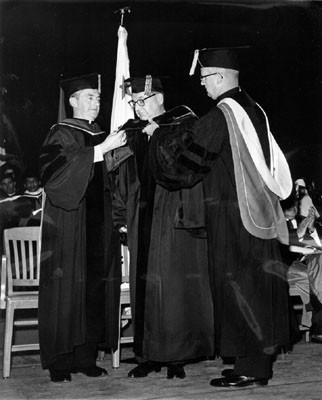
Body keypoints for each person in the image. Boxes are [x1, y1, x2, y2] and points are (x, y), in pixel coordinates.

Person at [147, 48, 293, 387]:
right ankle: (251, 361)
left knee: (241, 288)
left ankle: (251, 369)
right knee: (254, 287)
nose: (202, 86)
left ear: (220, 77)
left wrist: (158, 131)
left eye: (204, 79)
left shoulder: (224, 113)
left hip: (235, 216)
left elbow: (185, 162)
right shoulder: (254, 109)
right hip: (259, 215)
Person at [109, 75, 214, 379]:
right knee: (144, 284)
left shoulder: (183, 122)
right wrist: (121, 215)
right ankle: (147, 354)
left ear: (159, 97)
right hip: (141, 214)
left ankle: (176, 356)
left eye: (142, 101)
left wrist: (157, 136)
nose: (137, 108)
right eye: (133, 103)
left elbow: (181, 169)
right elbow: (122, 174)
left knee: (172, 286)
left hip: (172, 215)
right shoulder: (135, 129)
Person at [38, 73, 126, 383]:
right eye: (89, 97)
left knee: (95, 287)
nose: (96, 103)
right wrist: (102, 151)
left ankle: (86, 357)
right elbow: (57, 178)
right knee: (67, 289)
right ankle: (60, 362)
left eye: (98, 98)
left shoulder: (101, 133)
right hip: (69, 226)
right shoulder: (59, 133)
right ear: (73, 100)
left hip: (99, 228)